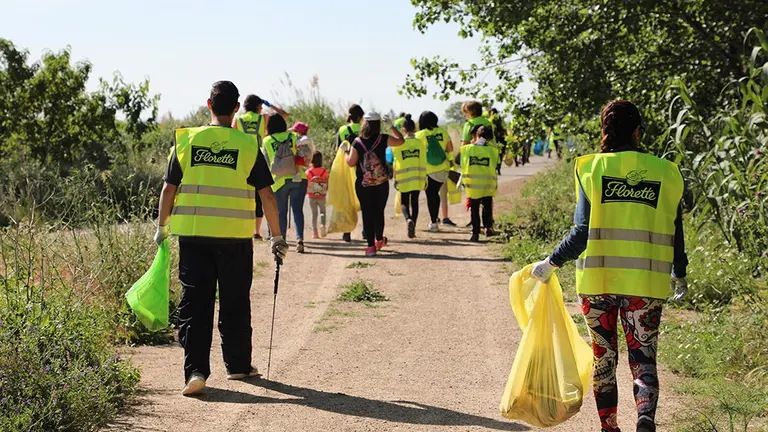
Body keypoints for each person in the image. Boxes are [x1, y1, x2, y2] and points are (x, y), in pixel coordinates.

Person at [530, 100, 689, 432]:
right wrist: (680, 271)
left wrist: (550, 262)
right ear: (637, 131)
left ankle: (610, 428)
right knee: (643, 358)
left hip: (597, 282)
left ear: (605, 130)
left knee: (604, 359)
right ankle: (645, 420)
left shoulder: (592, 168)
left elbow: (581, 234)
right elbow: (676, 230)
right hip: (646, 286)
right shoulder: (667, 172)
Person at [154, 81, 288, 396]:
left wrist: (161, 226)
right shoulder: (248, 145)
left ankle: (196, 372)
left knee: (195, 304)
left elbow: (168, 189)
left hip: (193, 236)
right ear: (237, 109)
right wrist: (276, 236)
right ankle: (239, 366)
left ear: (208, 105)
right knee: (235, 302)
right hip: (235, 238)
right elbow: (266, 195)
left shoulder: (186, 141)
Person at [345, 112, 404, 256]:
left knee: (367, 213)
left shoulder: (357, 142)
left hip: (363, 184)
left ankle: (371, 247)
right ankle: (379, 240)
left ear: (365, 124)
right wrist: (392, 126)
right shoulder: (383, 138)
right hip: (381, 183)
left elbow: (351, 162)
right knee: (379, 212)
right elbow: (401, 141)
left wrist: (346, 151)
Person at [233, 95, 289, 239]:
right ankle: (256, 231)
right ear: (259, 106)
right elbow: (284, 116)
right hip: (257, 157)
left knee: (241, 193)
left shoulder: (238, 120)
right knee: (260, 196)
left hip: (241, 158)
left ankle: (240, 227)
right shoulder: (263, 118)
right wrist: (270, 104)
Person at [263, 115, 306, 253]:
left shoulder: (267, 140)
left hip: (278, 180)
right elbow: (304, 154)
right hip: (298, 177)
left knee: (281, 212)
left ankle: (282, 241)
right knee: (298, 210)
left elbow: (265, 162)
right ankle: (300, 240)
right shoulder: (293, 136)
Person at [458, 125, 499, 242]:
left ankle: (475, 233)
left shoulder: (467, 149)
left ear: (477, 135)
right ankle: (488, 228)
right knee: (487, 206)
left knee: (474, 208)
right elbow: (496, 163)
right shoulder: (493, 151)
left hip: (473, 185)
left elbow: (458, 160)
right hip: (488, 183)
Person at [415, 110, 454, 232]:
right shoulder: (443, 132)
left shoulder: (420, 135)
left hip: (428, 170)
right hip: (443, 169)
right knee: (435, 194)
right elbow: (450, 148)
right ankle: (435, 220)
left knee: (431, 196)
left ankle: (433, 223)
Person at [392, 114, 427, 238]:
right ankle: (414, 226)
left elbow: (396, 162)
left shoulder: (399, 144)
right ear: (415, 128)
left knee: (404, 202)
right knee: (415, 201)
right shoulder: (420, 143)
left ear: (403, 129)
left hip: (403, 177)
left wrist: (395, 177)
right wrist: (425, 177)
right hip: (417, 177)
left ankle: (408, 219)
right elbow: (423, 160)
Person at [336, 104, 365, 243]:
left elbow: (338, 149)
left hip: (346, 168)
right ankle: (366, 230)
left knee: (347, 201)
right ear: (360, 117)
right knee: (364, 199)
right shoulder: (364, 129)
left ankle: (346, 233)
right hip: (361, 167)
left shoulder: (342, 129)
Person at [306, 151, 329, 239]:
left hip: (312, 195)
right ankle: (323, 224)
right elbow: (327, 181)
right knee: (323, 212)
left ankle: (315, 232)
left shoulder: (308, 172)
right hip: (322, 195)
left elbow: (306, 183)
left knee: (314, 214)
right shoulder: (324, 171)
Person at [488, 108, 508, 175]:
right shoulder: (500, 120)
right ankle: (498, 168)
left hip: (494, 140)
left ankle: (495, 168)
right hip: (501, 139)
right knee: (500, 155)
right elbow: (504, 129)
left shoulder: (489, 120)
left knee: (494, 155)